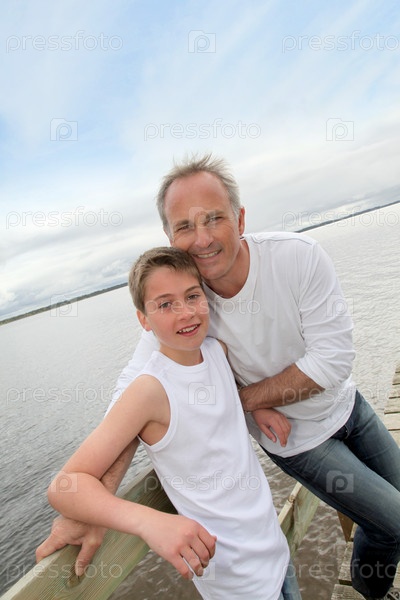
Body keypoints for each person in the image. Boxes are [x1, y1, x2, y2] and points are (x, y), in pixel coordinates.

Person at [38, 153, 400, 600]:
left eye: (214, 218)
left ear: (240, 218)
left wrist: (243, 401)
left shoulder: (294, 259)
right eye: (185, 226)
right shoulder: (183, 305)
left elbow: (333, 359)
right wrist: (96, 504)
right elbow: (129, 402)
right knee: (393, 523)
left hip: (347, 407)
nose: (203, 237)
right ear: (171, 238)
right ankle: (372, 593)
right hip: (299, 442)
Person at [46, 246, 298, 600]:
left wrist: (255, 407)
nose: (186, 312)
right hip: (236, 579)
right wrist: (149, 522)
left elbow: (216, 411)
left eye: (192, 296)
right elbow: (65, 486)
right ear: (144, 321)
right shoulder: (149, 390)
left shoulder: (217, 352)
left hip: (274, 549)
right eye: (165, 304)